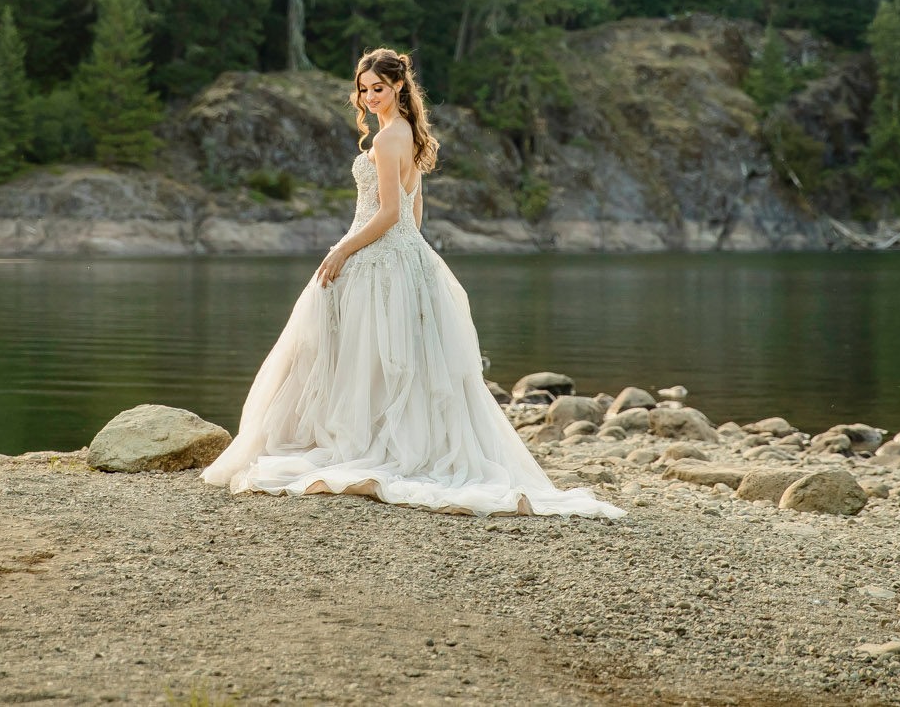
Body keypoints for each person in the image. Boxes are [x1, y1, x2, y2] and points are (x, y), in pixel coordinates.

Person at [202, 48, 621, 518]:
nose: (369, 97)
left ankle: (367, 441)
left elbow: (389, 212)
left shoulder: (386, 141)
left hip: (378, 253)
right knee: (393, 357)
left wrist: (344, 250)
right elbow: (414, 213)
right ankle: (391, 438)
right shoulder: (409, 135)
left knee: (364, 352)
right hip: (403, 255)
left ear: (398, 86)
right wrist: (406, 255)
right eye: (363, 90)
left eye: (377, 88)